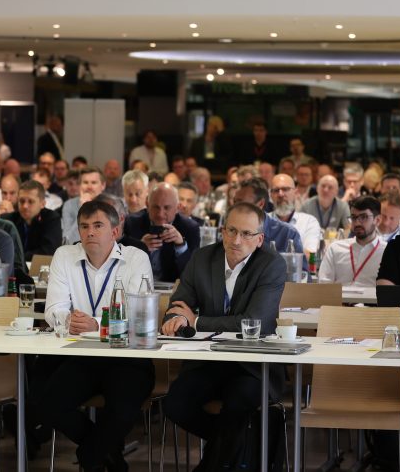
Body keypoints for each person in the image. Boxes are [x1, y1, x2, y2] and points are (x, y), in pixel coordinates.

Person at [161, 202, 287, 470]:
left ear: (260, 239)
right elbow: (176, 307)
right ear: (222, 231)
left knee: (238, 404)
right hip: (208, 361)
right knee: (174, 404)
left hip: (252, 366)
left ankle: (212, 464)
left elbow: (254, 323)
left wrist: (196, 321)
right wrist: (177, 319)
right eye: (231, 231)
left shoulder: (272, 264)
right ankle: (240, 445)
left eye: (246, 233)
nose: (236, 240)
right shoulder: (202, 258)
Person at [31, 200, 154, 472]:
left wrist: (95, 325)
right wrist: (71, 320)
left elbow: (137, 317)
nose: (90, 232)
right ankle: (107, 455)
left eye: (98, 226)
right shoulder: (64, 255)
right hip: (83, 355)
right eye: (84, 226)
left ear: (115, 231)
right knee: (48, 405)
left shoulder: (136, 258)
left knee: (122, 411)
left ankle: (90, 456)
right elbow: (53, 310)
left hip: (127, 357)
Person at [123, 183, 200, 282]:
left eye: (167, 208)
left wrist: (181, 245)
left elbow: (192, 274)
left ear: (177, 207)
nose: (160, 214)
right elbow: (119, 266)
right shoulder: (131, 223)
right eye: (156, 207)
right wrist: (140, 247)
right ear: (147, 205)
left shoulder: (190, 228)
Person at [318, 196, 385, 286]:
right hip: (339, 295)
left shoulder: (388, 252)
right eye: (353, 217)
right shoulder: (335, 248)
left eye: (363, 217)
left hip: (372, 296)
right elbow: (324, 285)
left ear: (377, 220)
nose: (357, 222)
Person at [232, 178, 302, 252]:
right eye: (234, 202)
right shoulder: (229, 230)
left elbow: (297, 259)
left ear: (260, 204)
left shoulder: (288, 234)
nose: (235, 207)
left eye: (241, 203)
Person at [0, 180, 63, 260]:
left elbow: (49, 251)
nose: (25, 206)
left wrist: (19, 257)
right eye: (22, 201)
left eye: (30, 201)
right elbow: (0, 250)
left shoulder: (52, 219)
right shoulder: (8, 220)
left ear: (42, 204)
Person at [269, 173, 322, 253]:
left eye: (285, 189)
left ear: (295, 193)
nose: (280, 194)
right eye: (276, 190)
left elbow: (310, 255)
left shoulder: (309, 222)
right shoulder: (262, 221)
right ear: (271, 195)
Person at [61, 166, 107, 244]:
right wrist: (83, 210)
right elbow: (68, 241)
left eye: (93, 183)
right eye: (85, 182)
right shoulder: (69, 205)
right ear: (79, 185)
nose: (89, 187)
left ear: (103, 185)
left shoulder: (112, 203)